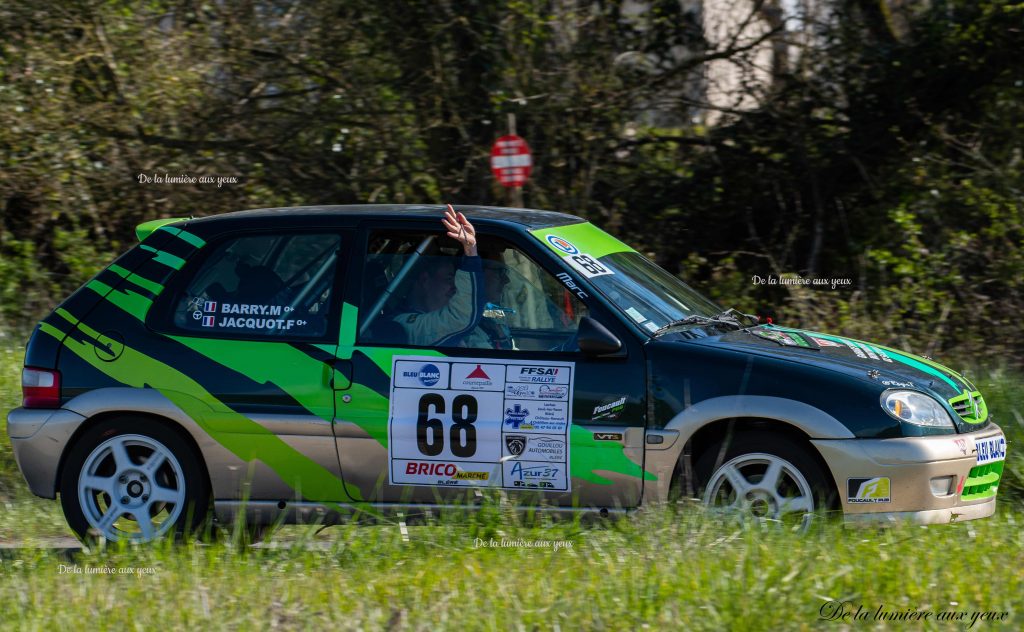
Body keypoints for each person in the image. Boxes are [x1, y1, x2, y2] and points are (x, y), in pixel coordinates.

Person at [392, 206, 516, 349]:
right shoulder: (407, 325)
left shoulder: (481, 320)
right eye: (450, 279)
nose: (456, 287)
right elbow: (459, 317)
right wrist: (470, 251)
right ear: (425, 280)